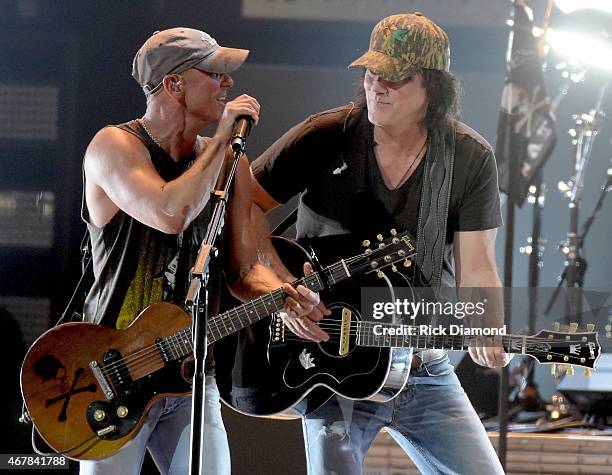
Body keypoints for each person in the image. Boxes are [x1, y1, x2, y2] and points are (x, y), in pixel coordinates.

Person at [250, 13, 511, 474]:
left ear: (434, 86)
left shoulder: (469, 157)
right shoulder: (325, 136)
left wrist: (486, 323)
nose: (377, 87)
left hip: (423, 364)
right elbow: (242, 206)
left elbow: (477, 266)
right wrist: (281, 287)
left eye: (396, 79)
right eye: (372, 74)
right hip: (333, 359)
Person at [80, 27, 321, 475]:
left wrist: (286, 296)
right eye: (216, 73)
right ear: (174, 84)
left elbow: (244, 269)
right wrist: (222, 144)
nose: (229, 84)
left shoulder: (231, 160)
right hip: (114, 372)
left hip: (191, 372)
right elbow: (171, 213)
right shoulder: (114, 146)